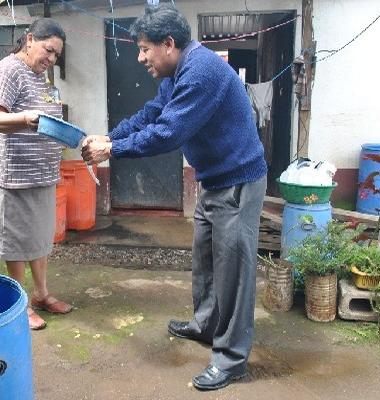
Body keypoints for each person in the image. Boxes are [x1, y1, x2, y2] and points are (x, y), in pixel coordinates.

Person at [82, 4, 267, 391]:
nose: (141, 57)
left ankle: (232, 359)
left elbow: (167, 133)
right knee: (206, 261)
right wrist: (109, 137)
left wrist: (113, 150)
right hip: (214, 181)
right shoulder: (176, 74)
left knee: (233, 274)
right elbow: (151, 114)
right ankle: (206, 326)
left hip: (237, 183)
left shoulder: (201, 72)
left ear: (169, 44)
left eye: (146, 49)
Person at [0, 18, 72, 330]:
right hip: (15, 177)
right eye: (49, 50)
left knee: (39, 238)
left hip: (41, 174)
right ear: (31, 39)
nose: (51, 59)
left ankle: (42, 294)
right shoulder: (8, 69)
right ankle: (19, 302)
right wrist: (25, 117)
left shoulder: (41, 79)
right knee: (17, 242)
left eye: (56, 56)